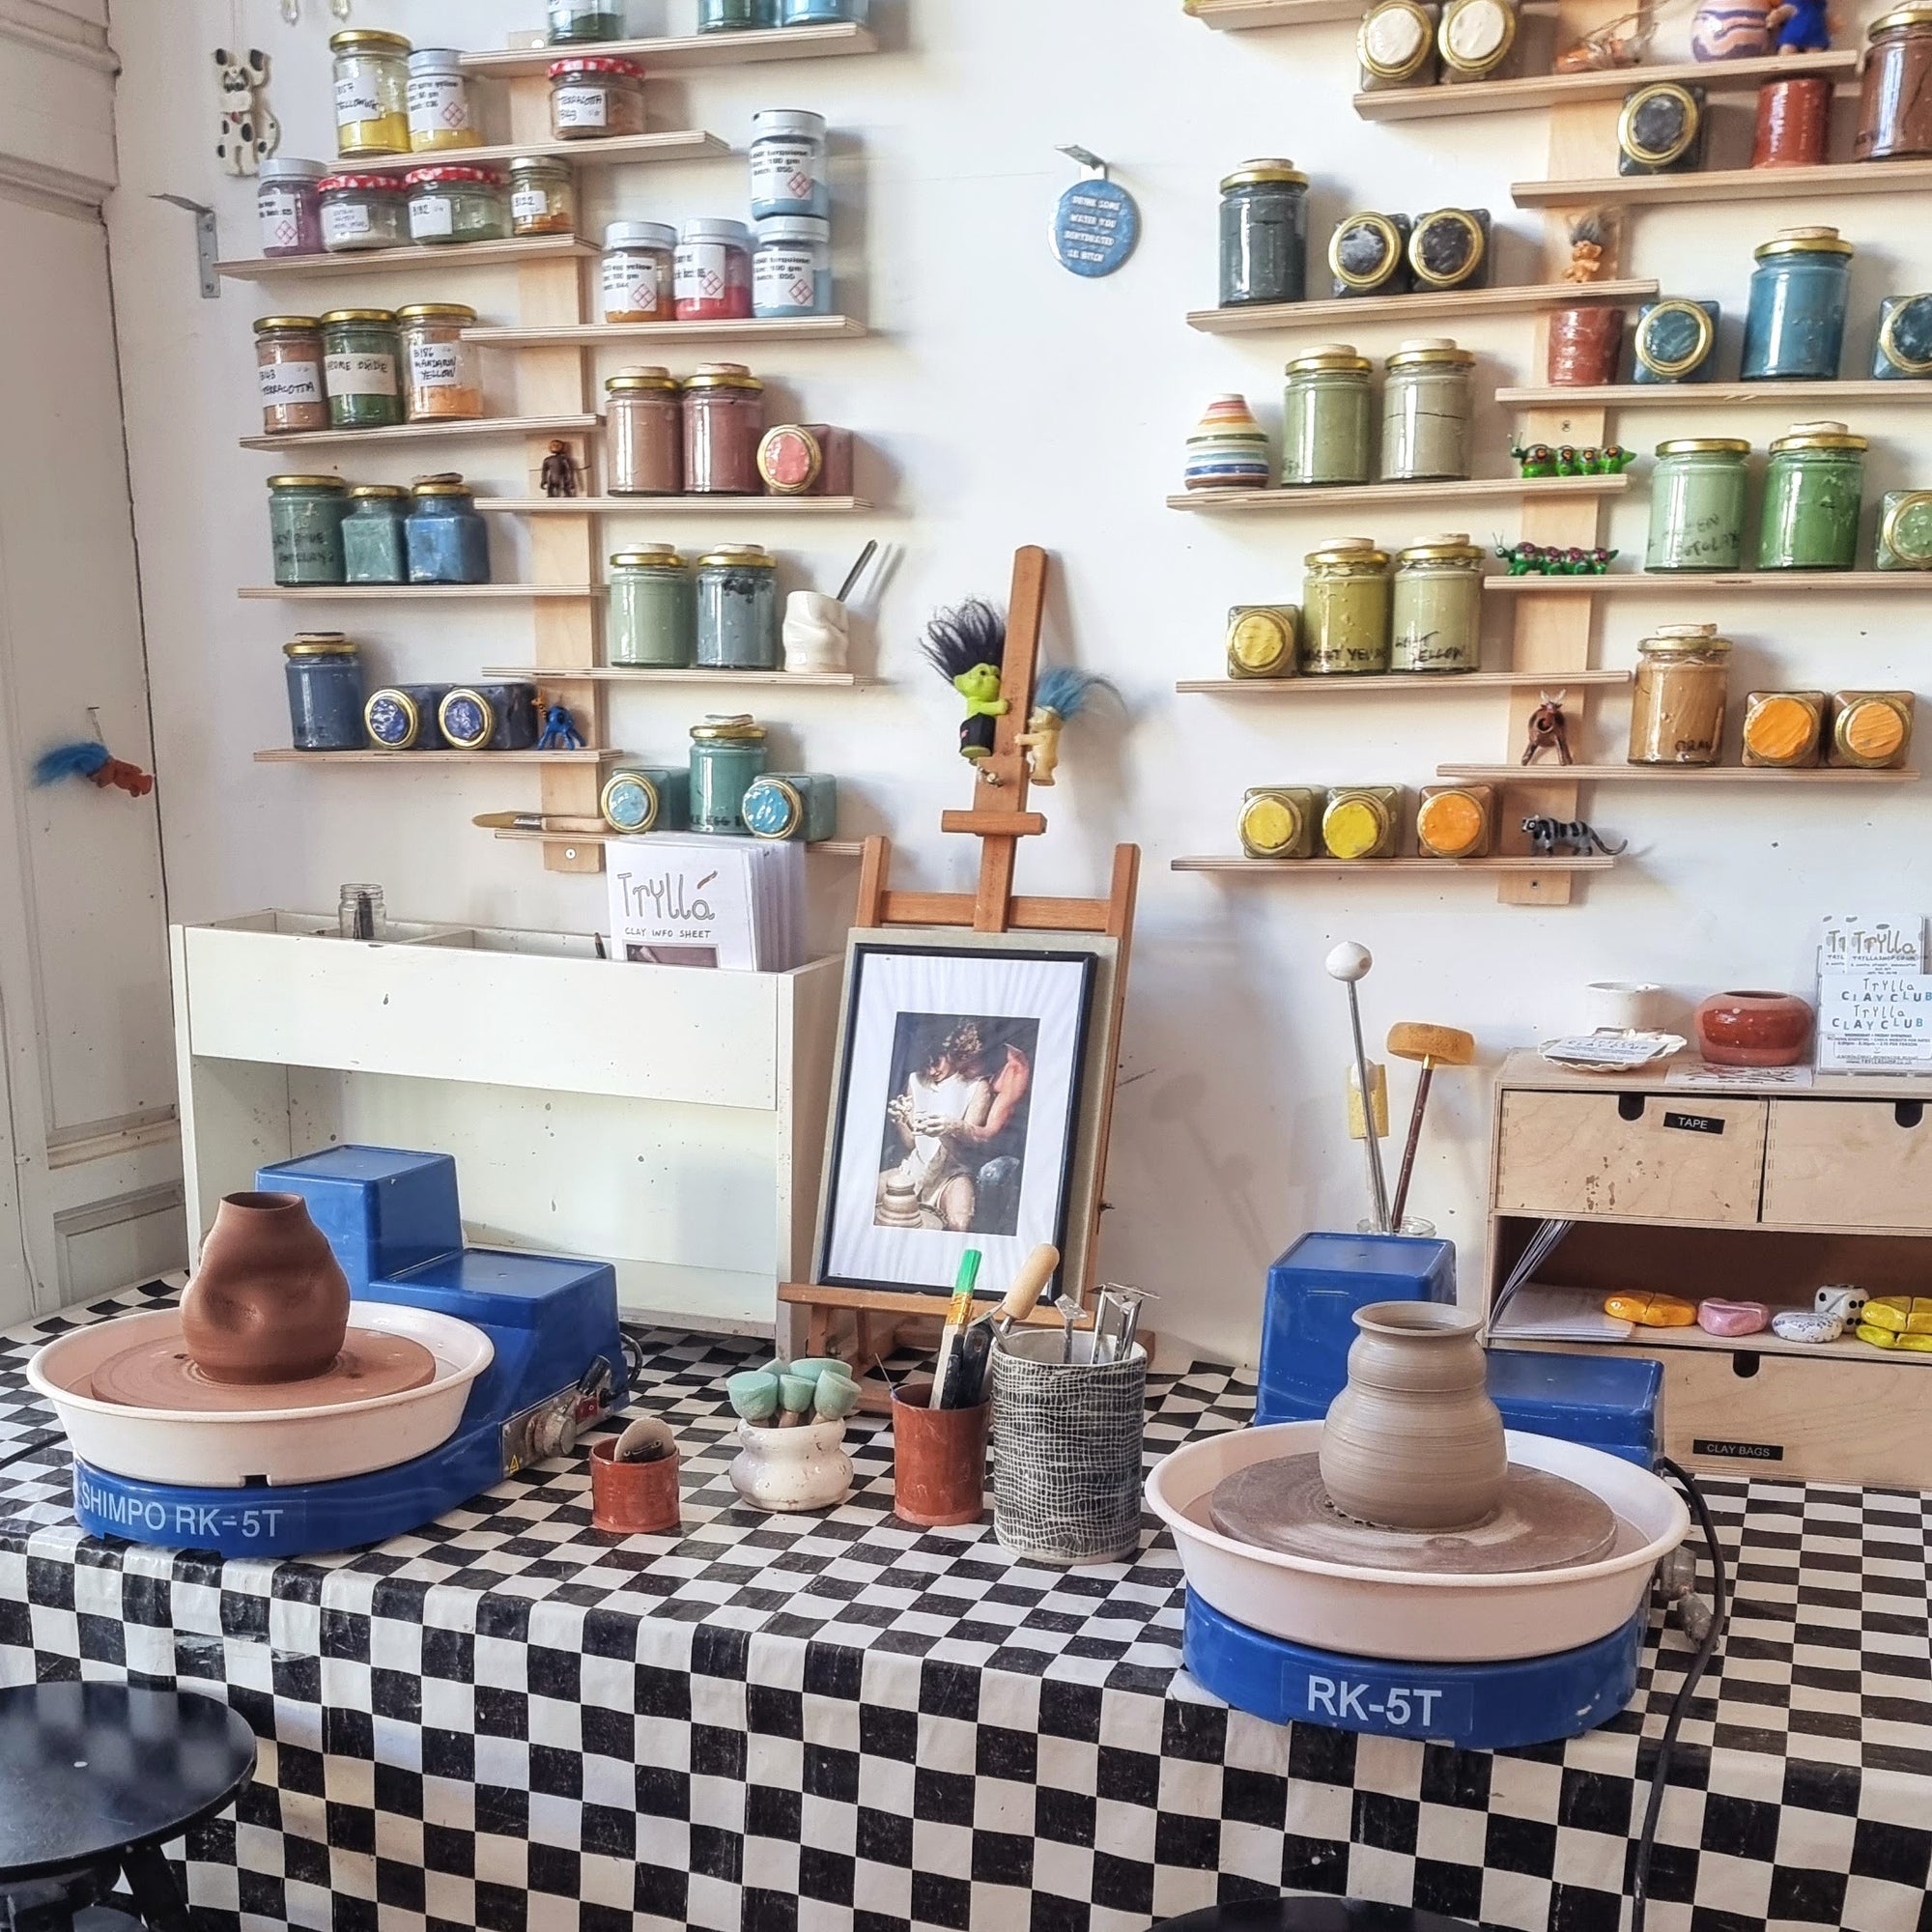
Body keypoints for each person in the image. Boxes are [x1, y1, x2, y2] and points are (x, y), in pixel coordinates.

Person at [879, 1022, 994, 1232]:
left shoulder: (977, 1086)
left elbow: (970, 1148)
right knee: (868, 1196)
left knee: (960, 1222)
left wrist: (949, 1128)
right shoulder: (915, 1079)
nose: (931, 1071)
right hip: (914, 1168)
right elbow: (911, 1142)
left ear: (951, 1053)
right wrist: (901, 1122)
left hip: (952, 1174)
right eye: (925, 1064)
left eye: (937, 1063)